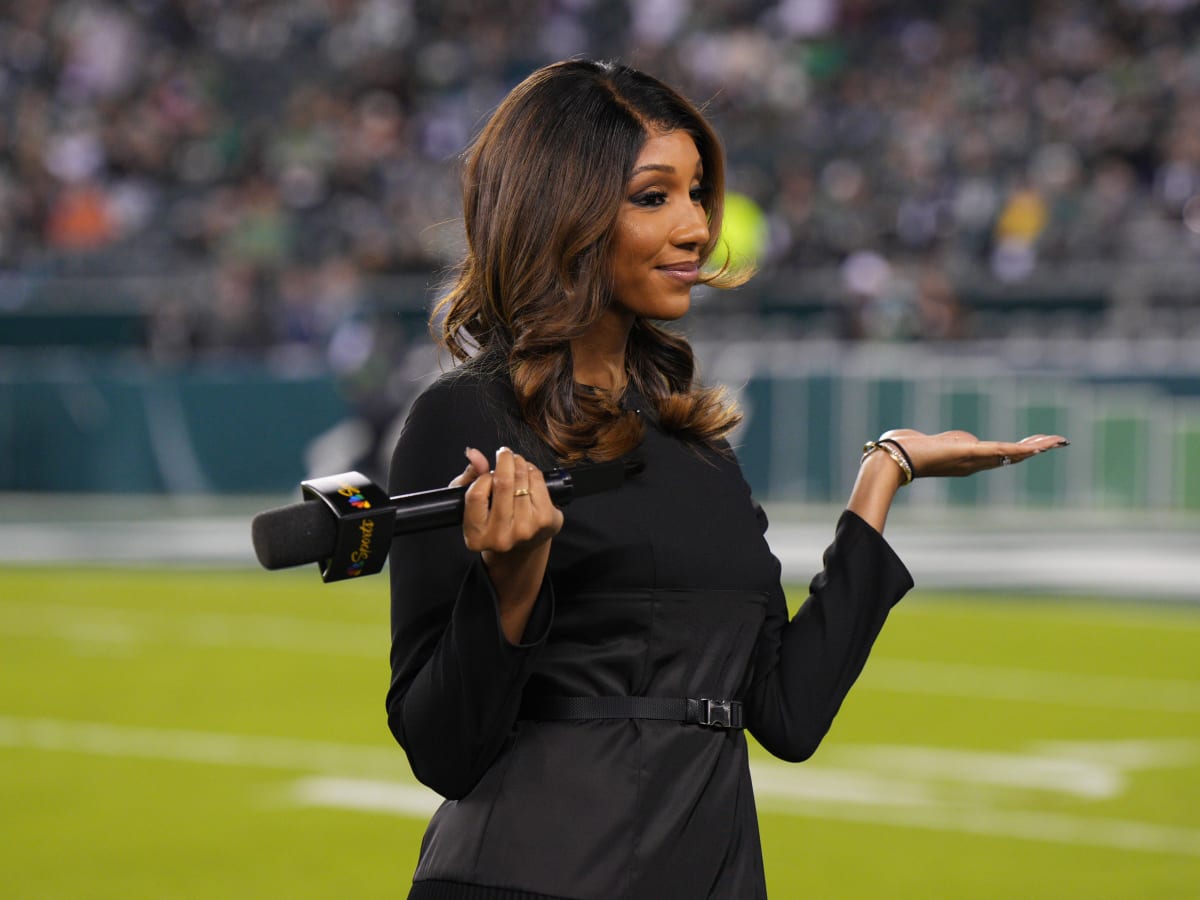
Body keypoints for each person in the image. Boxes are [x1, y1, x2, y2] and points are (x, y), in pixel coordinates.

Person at [385, 59, 1067, 900]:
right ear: (561, 207)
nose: (697, 226)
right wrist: (511, 586)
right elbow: (440, 749)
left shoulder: (693, 440)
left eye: (697, 192)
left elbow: (788, 713)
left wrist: (883, 474)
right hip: (528, 877)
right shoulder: (465, 421)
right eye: (653, 196)